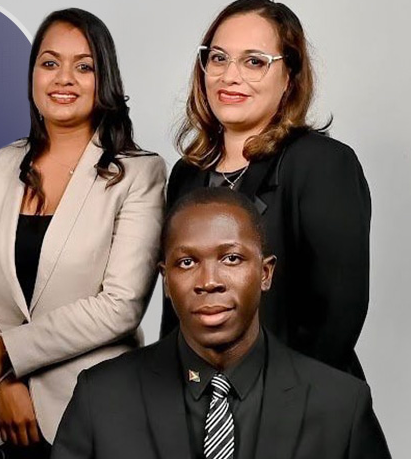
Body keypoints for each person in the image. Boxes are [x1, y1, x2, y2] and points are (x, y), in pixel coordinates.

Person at [0, 9, 165, 456]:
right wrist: (3, 382)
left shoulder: (139, 173)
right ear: (33, 75)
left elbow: (121, 305)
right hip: (5, 418)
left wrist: (6, 352)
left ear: (104, 80)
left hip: (99, 414)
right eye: (50, 63)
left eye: (84, 67)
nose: (64, 78)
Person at [51, 188, 389, 457]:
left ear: (265, 273)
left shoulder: (341, 406)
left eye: (231, 258)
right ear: (166, 280)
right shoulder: (101, 397)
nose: (209, 281)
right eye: (187, 262)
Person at [159, 0, 371, 379]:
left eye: (254, 62)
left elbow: (336, 319)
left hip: (299, 398)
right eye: (218, 58)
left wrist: (270, 402)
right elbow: (174, 314)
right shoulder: (186, 175)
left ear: (289, 77)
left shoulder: (322, 164)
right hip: (200, 399)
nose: (230, 76)